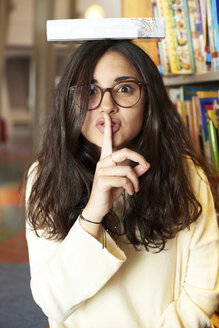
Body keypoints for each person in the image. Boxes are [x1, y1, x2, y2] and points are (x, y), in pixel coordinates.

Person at [24, 39, 219, 328]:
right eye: (90, 91)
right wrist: (93, 213)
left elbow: (202, 291)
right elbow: (51, 301)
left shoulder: (187, 173)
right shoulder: (45, 174)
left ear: (149, 98)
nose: (107, 106)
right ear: (70, 101)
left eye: (124, 89)